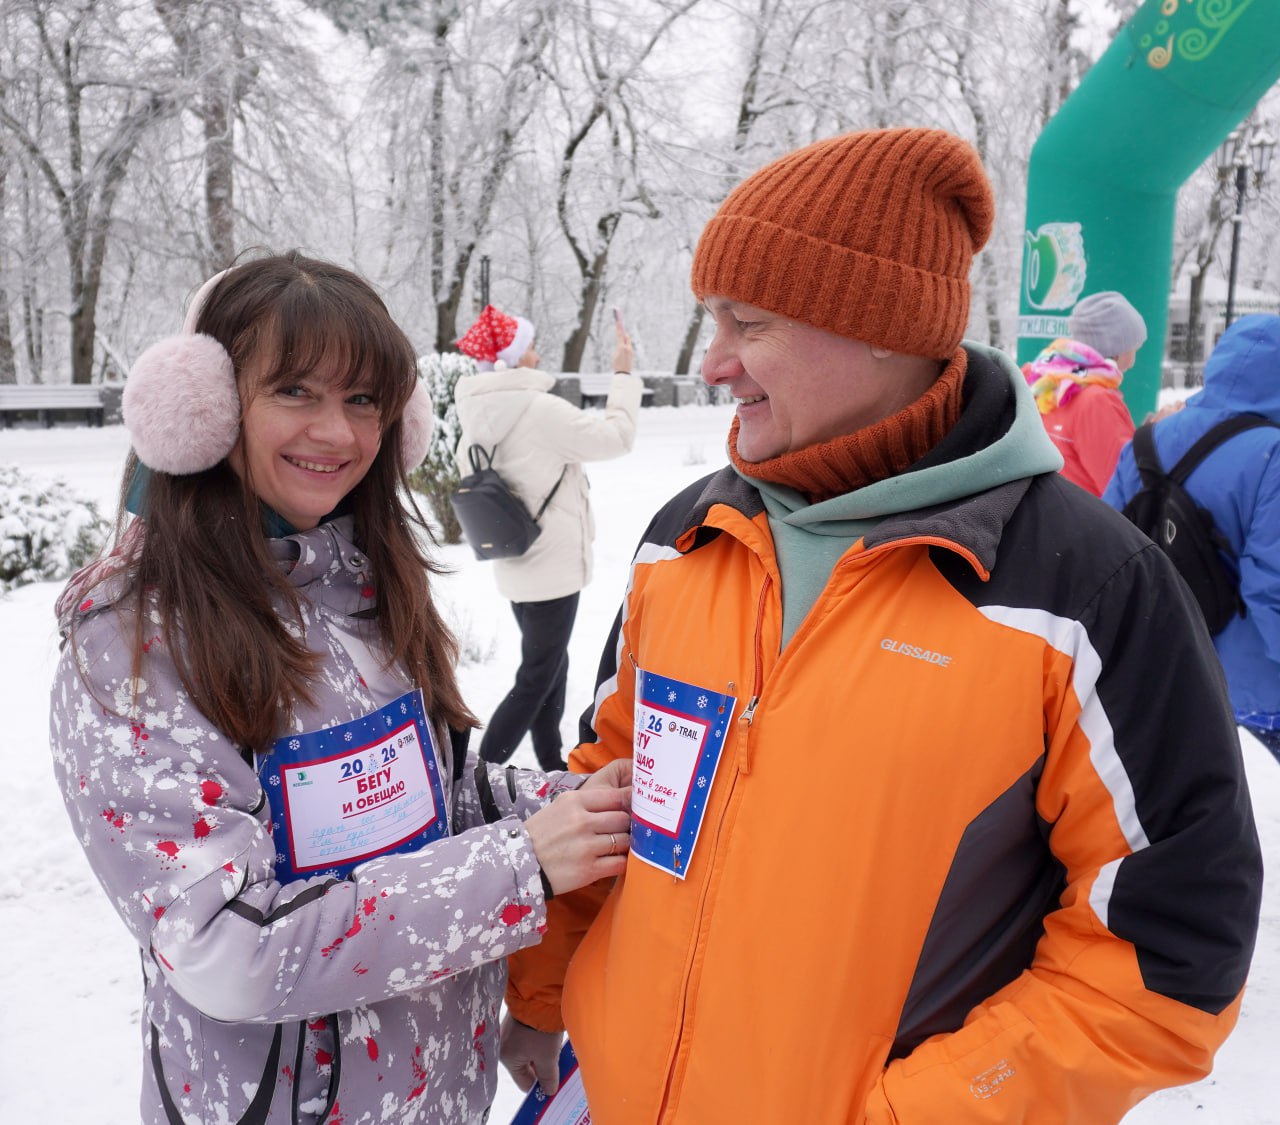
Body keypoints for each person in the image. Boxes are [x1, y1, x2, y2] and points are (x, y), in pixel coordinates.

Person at [499, 129, 1263, 1123]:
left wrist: (925, 1112)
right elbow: (613, 786)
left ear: (881, 329)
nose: (714, 363)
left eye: (749, 323)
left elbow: (1167, 951)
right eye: (710, 320)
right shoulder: (686, 538)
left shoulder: (1085, 588)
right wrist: (543, 990)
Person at [47, 252, 634, 1125]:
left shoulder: (361, 579)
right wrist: (521, 864)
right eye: (295, 391)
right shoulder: (136, 641)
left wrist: (565, 804)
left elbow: (423, 799)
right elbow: (225, 946)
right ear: (203, 408)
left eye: (363, 400)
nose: (339, 433)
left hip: (436, 1092)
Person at [454, 303, 642, 771]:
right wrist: (622, 375)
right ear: (516, 358)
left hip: (516, 563)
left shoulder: (477, 413)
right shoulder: (540, 410)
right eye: (530, 345)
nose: (537, 353)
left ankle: (551, 762)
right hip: (554, 568)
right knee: (537, 676)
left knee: (550, 668)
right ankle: (473, 772)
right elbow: (616, 437)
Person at [1104, 313, 1280, 761]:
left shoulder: (1146, 441)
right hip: (1253, 689)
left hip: (1160, 671)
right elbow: (1272, 588)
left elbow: (1104, 554)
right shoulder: (1272, 455)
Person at [1021, 291, 1147, 496]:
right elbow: (1124, 487)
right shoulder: (1096, 402)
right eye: (1135, 345)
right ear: (1116, 347)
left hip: (1050, 516)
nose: (1136, 353)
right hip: (1089, 523)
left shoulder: (1039, 382)